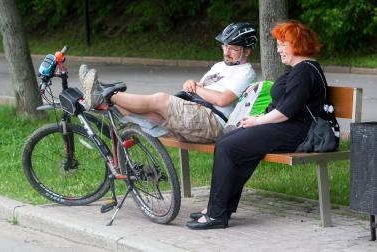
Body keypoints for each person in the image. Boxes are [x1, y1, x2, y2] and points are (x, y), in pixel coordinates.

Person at [186, 20, 327, 230]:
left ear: (297, 44)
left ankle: (217, 215)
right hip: (288, 127)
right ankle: (219, 207)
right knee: (228, 140)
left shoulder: (305, 71)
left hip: (298, 131)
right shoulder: (300, 69)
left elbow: (286, 111)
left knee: (228, 146)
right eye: (278, 45)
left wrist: (255, 121)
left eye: (282, 45)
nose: (278, 50)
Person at [79, 22, 257, 143]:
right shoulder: (219, 66)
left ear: (247, 51)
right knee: (134, 110)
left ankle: (103, 95)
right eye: (224, 47)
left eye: (233, 49)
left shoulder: (246, 72)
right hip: (194, 116)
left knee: (161, 99)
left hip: (213, 122)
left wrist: (196, 87)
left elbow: (222, 100)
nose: (226, 52)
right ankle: (101, 111)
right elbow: (200, 91)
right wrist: (192, 84)